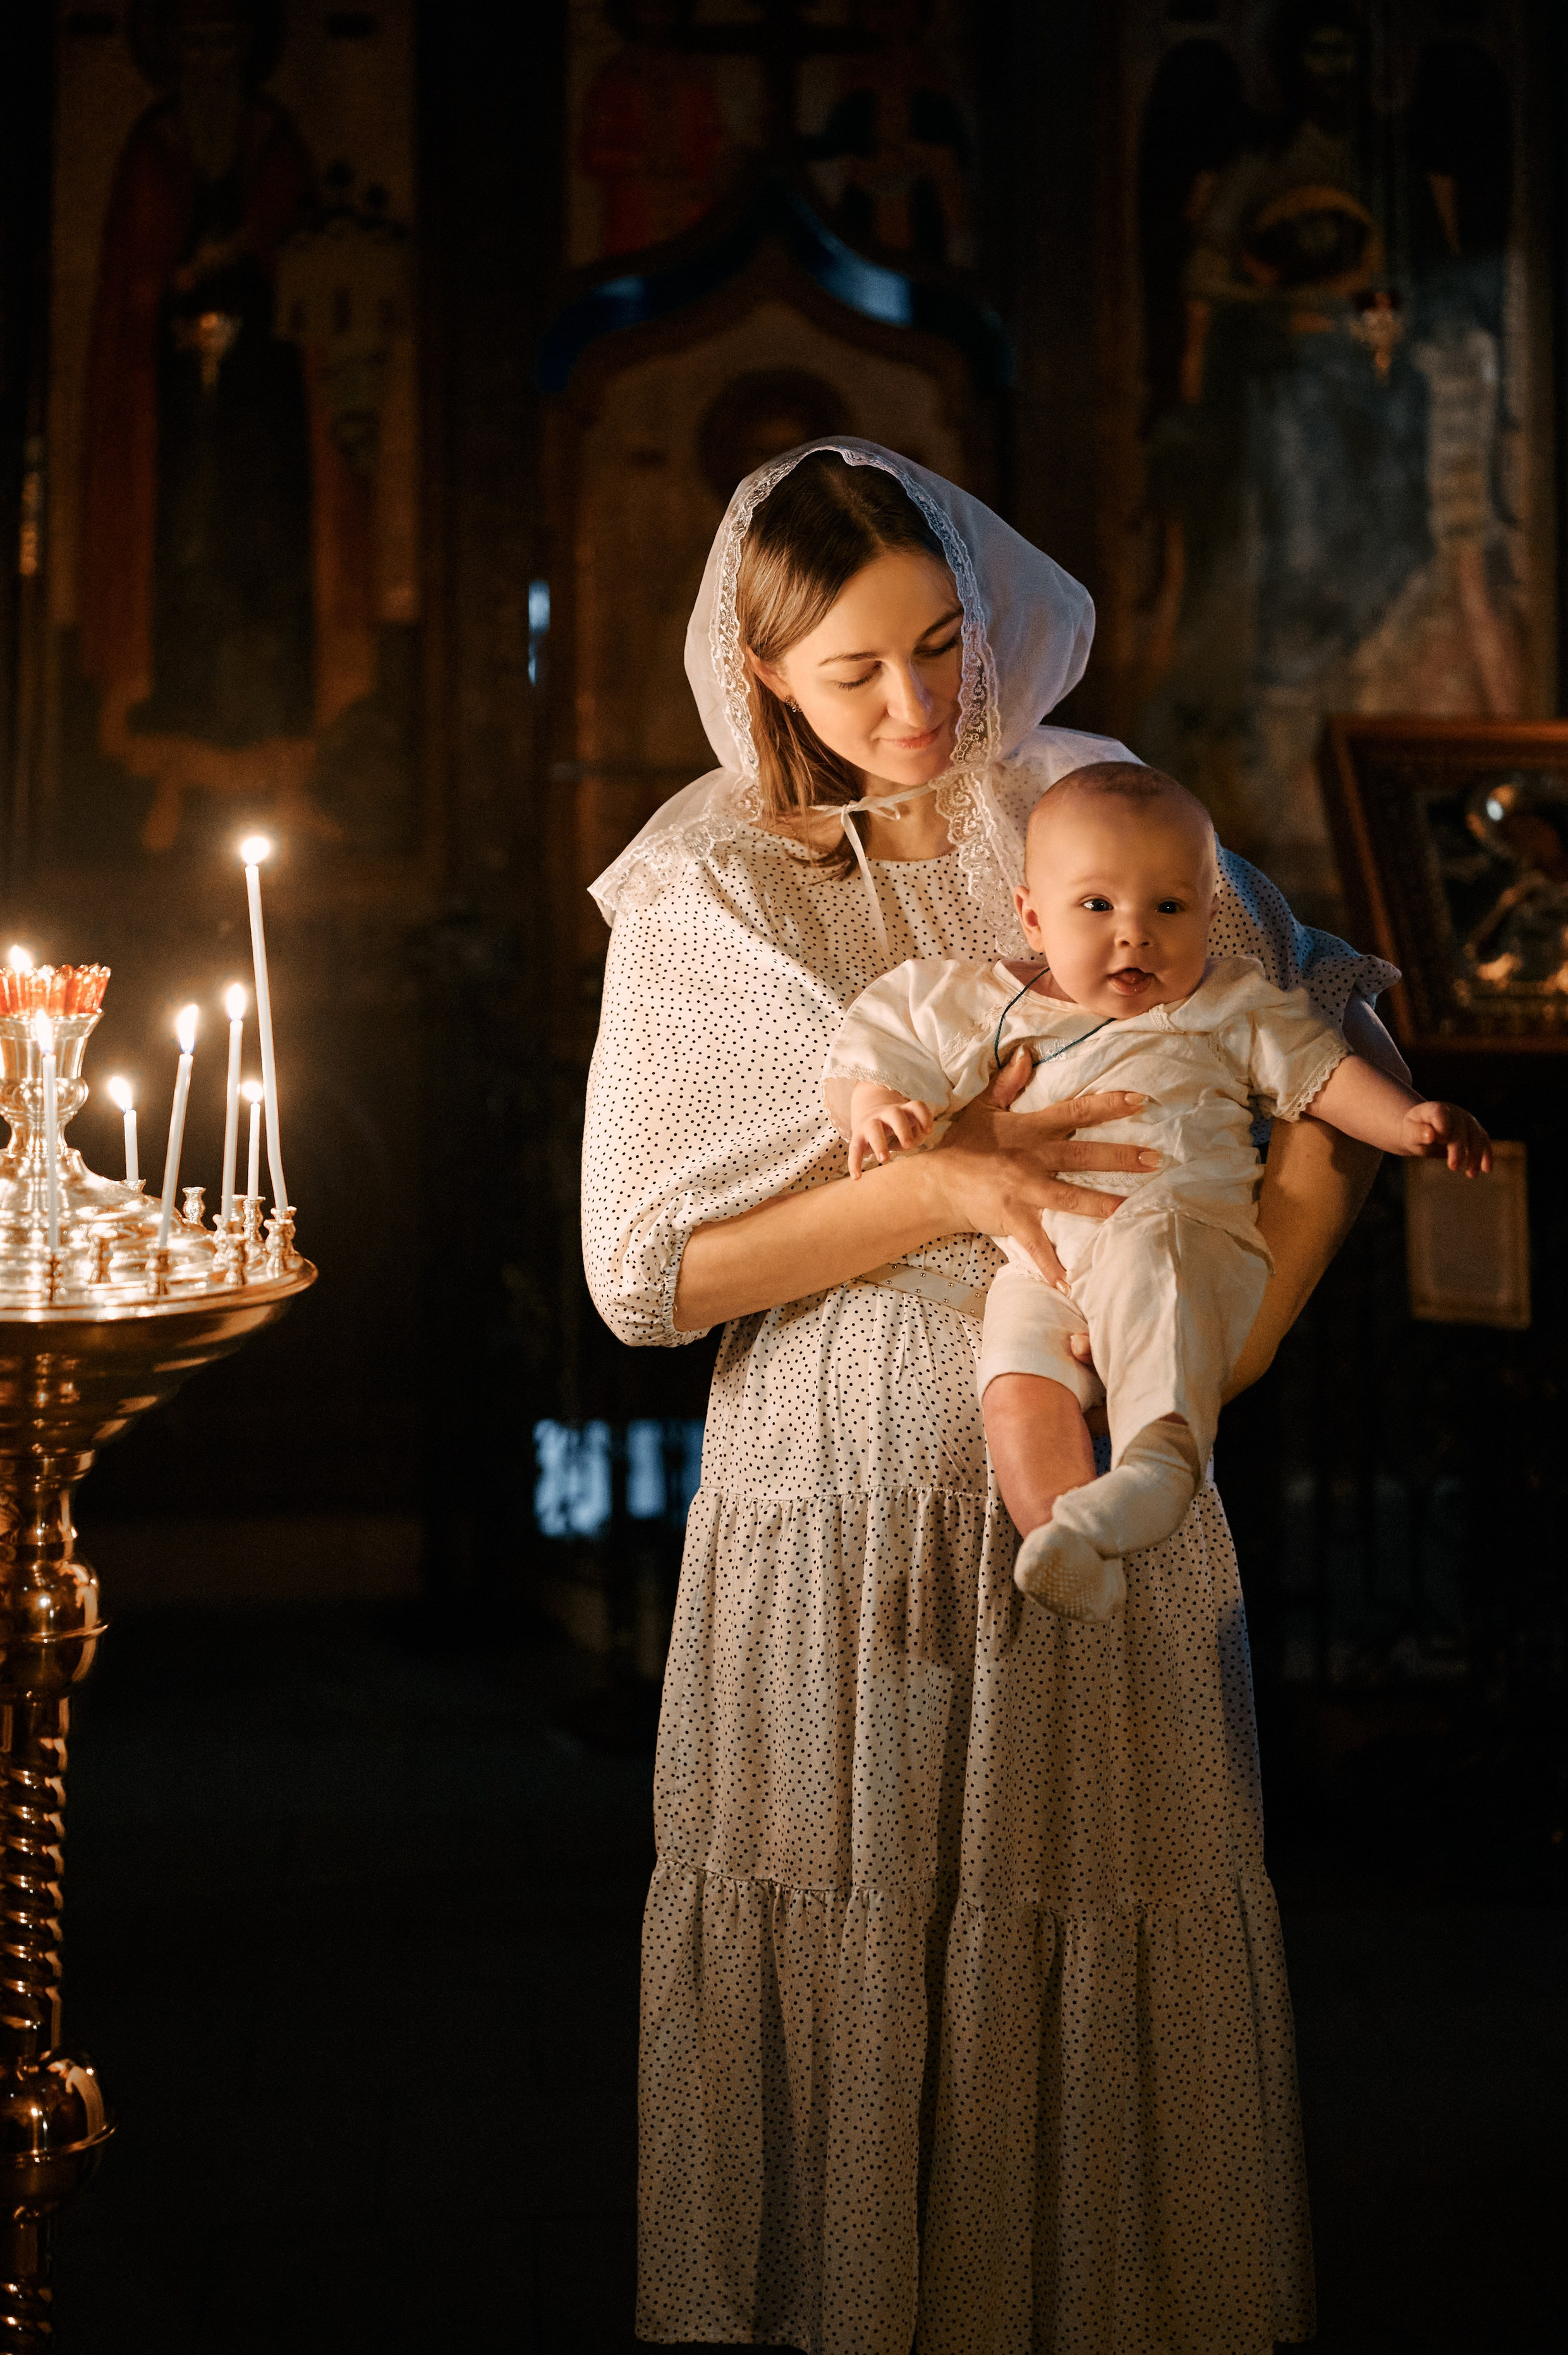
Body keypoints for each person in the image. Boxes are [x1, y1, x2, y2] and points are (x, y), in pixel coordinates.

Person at [582, 439, 1404, 2352]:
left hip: (1093, 1476)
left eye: (944, 645)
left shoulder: (1081, 803)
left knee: (1090, 1919)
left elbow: (1329, 1038)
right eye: (857, 670)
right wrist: (946, 1182)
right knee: (857, 1927)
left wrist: (1248, 1323)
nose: (919, 705)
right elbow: (650, 1273)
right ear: (763, 671)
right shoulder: (705, 889)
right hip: (834, 1507)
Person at [830, 760, 1490, 1626]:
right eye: (1097, 907)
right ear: (1033, 914)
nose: (1133, 936)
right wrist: (878, 1106)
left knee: (1159, 1318)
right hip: (1046, 1266)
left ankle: (1159, 1467)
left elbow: (1325, 1074)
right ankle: (1063, 1535)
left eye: (1167, 909)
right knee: (1015, 1381)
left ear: (1211, 917)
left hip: (1176, 1230)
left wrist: (1409, 1122)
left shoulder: (1229, 1002)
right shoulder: (990, 1002)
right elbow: (877, 1037)